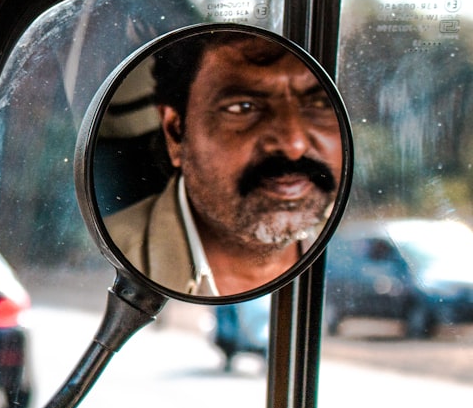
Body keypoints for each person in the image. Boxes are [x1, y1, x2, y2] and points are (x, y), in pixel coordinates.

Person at [104, 32, 342, 296]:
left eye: (320, 104)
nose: (294, 143)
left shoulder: (354, 255)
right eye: (242, 107)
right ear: (175, 132)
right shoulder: (106, 264)